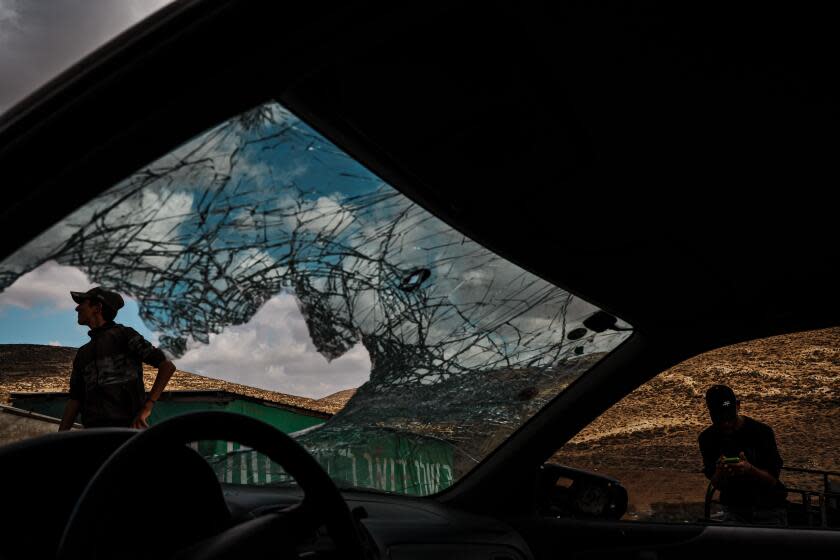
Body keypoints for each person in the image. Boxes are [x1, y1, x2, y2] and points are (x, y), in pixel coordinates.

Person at [58, 287, 176, 430]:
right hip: (94, 436)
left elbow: (167, 366)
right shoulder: (83, 353)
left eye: (83, 303)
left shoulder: (125, 335)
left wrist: (147, 407)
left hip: (127, 433)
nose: (77, 308)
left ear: (97, 308)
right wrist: (59, 440)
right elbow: (75, 400)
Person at [698, 384, 787, 525]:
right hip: (734, 510)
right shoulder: (707, 438)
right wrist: (721, 472)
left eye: (729, 417)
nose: (726, 424)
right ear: (710, 414)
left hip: (768, 508)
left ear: (738, 406)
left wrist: (750, 469)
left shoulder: (762, 432)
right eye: (719, 419)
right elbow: (716, 483)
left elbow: (772, 480)